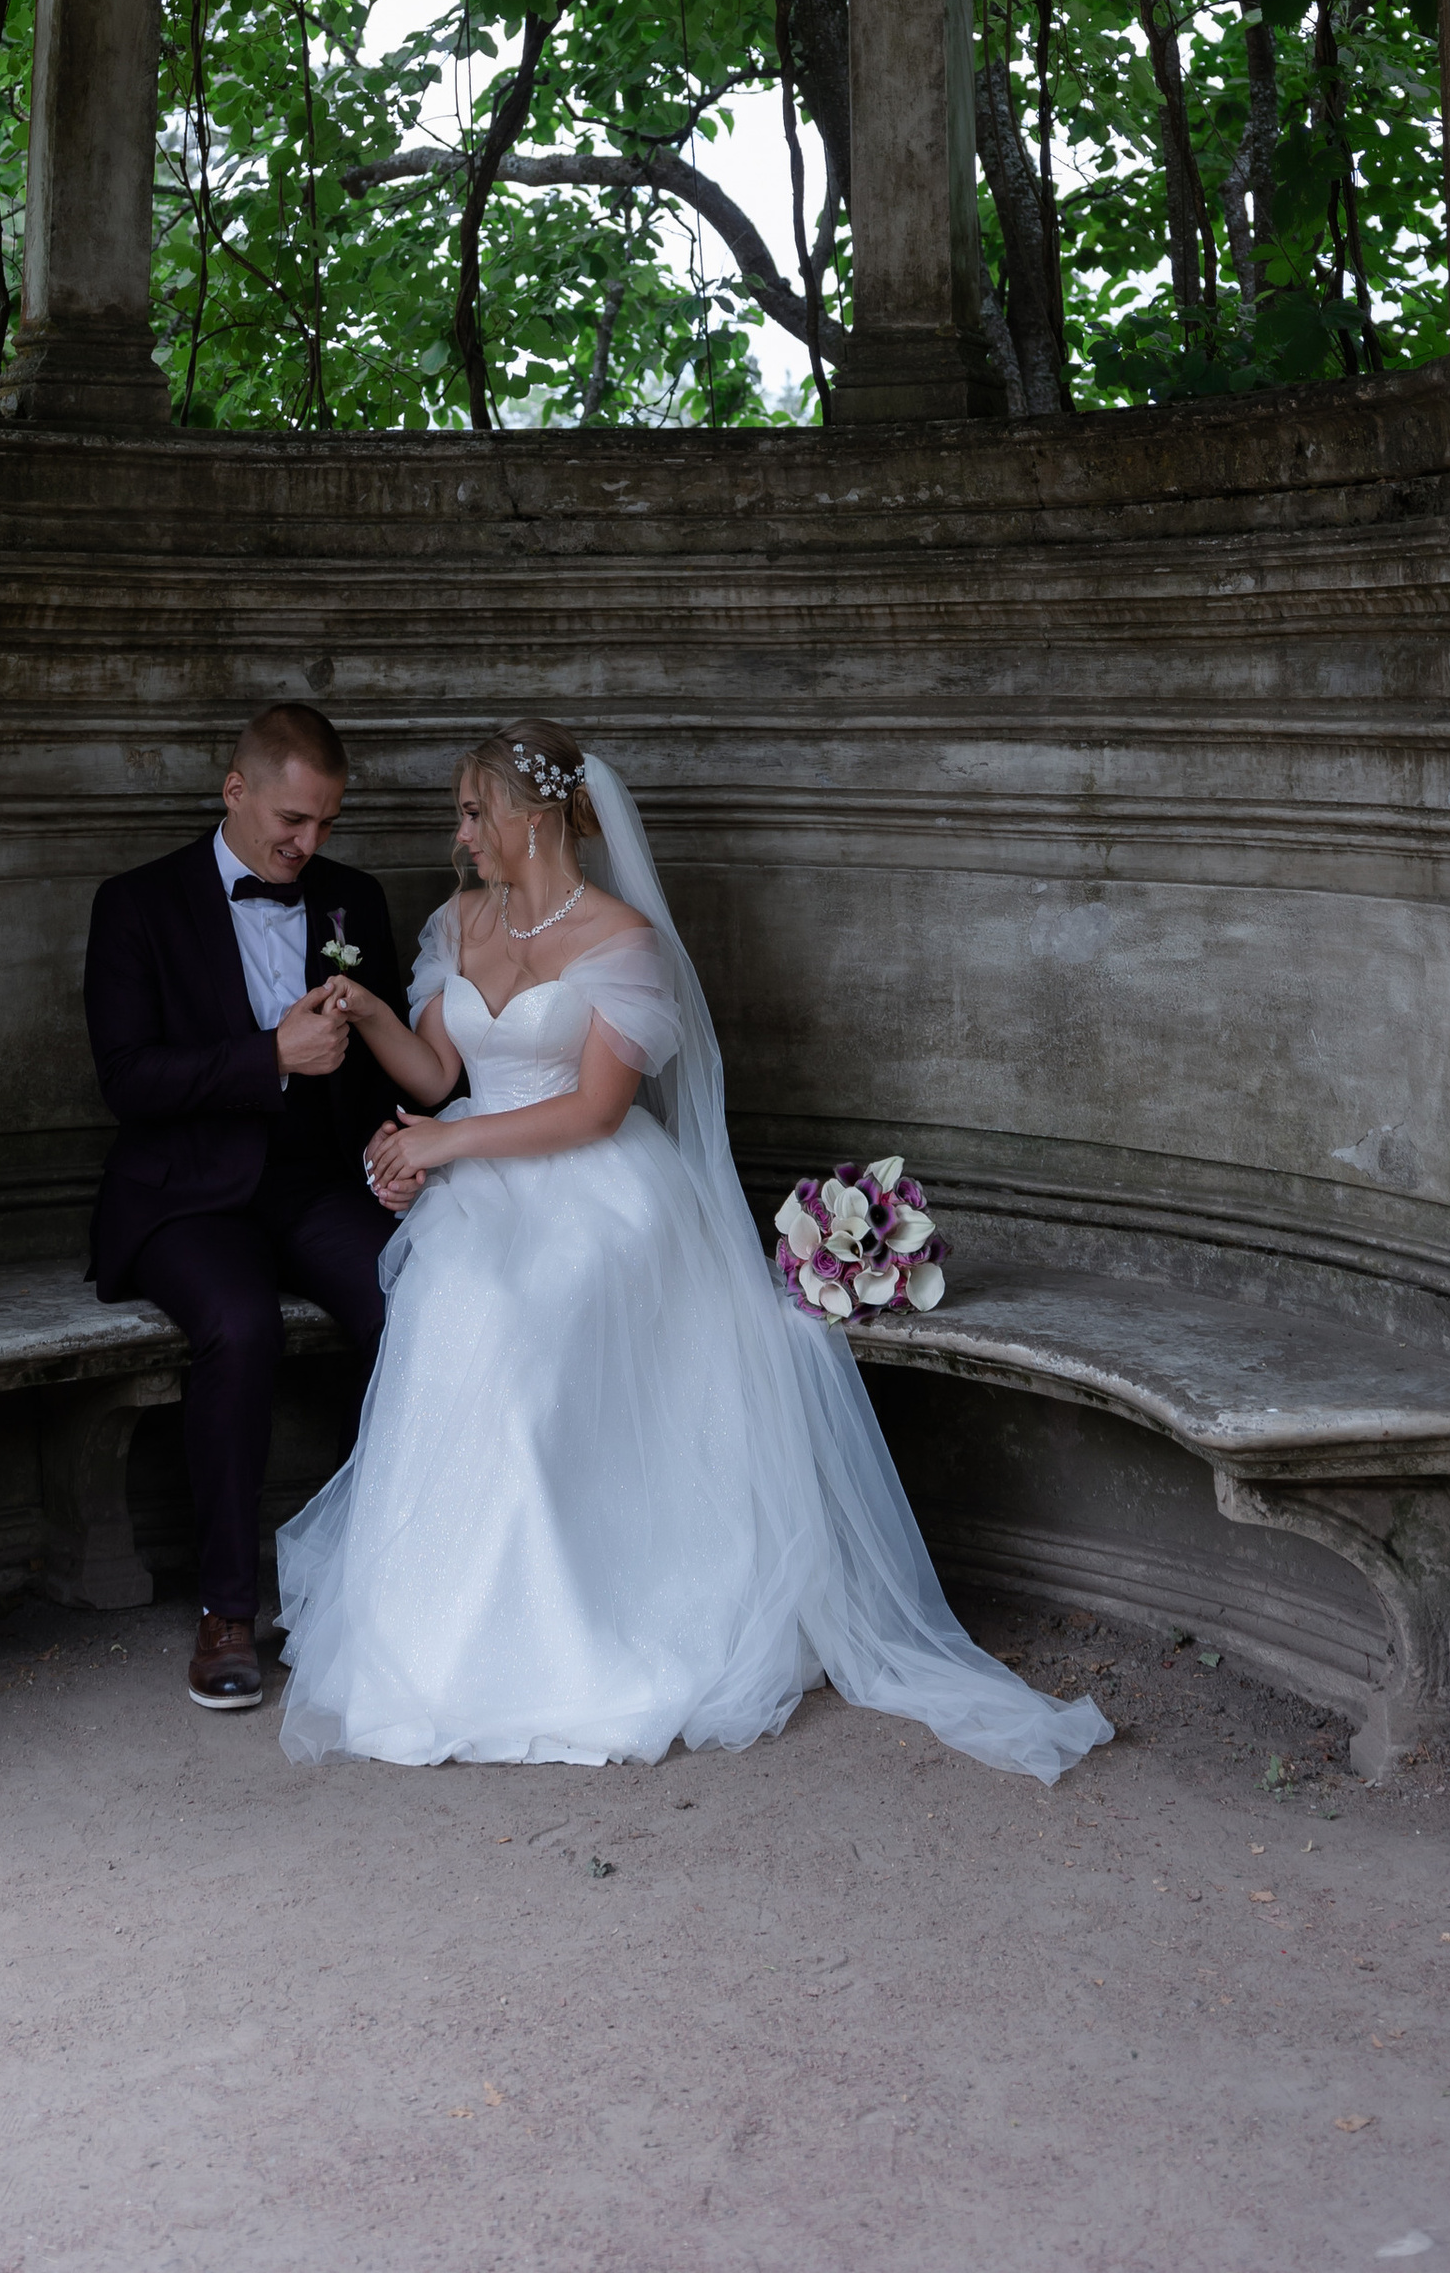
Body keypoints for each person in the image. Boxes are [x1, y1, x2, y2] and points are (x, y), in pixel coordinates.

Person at [277, 720, 1112, 1783]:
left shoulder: (624, 942)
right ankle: (441, 1635)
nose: (461, 833)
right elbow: (438, 1071)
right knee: (454, 1305)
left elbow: (589, 1110)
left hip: (596, 1198)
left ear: (534, 819)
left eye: (474, 811)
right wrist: (367, 1020)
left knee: (528, 1333)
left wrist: (444, 1145)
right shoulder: (457, 919)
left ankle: (578, 1628)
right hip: (483, 1189)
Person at [83, 702, 404, 1714]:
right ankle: (226, 1610)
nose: (309, 846)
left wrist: (403, 1150)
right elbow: (128, 1080)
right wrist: (266, 1055)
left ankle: (393, 1583)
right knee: (238, 1326)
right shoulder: (135, 904)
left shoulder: (352, 901)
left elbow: (388, 1062)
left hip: (316, 1184)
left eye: (324, 825)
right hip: (189, 1197)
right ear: (235, 791)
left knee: (413, 1301)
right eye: (291, 823)